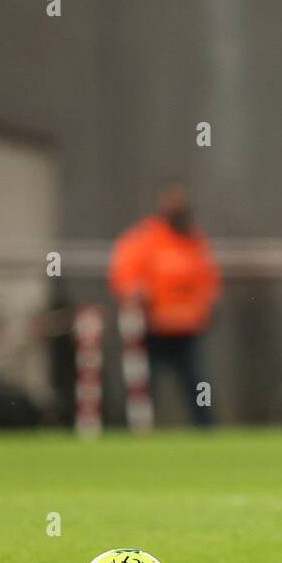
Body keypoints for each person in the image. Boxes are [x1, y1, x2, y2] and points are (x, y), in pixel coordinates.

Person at [108, 183, 221, 427]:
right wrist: (134, 294)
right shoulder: (146, 239)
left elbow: (207, 280)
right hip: (154, 326)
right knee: (144, 384)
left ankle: (205, 428)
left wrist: (202, 308)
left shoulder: (195, 241)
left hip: (186, 328)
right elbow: (125, 274)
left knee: (194, 382)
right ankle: (137, 428)